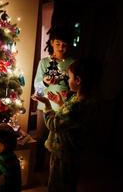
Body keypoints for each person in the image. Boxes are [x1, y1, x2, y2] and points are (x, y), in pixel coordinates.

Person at [32, 58, 102, 192]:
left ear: (78, 80)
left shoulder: (76, 106)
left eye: (69, 77)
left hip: (64, 152)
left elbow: (54, 124)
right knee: (69, 181)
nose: (67, 80)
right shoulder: (87, 100)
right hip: (75, 152)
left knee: (59, 184)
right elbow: (71, 120)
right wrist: (60, 103)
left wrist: (47, 105)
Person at [33, 25, 75, 171]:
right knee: (41, 138)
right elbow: (37, 88)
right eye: (58, 44)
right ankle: (38, 167)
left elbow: (77, 87)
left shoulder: (73, 63)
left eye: (64, 45)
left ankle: (55, 168)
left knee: (60, 141)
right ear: (52, 42)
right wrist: (44, 82)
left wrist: (69, 94)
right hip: (45, 107)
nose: (60, 48)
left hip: (64, 108)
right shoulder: (44, 63)